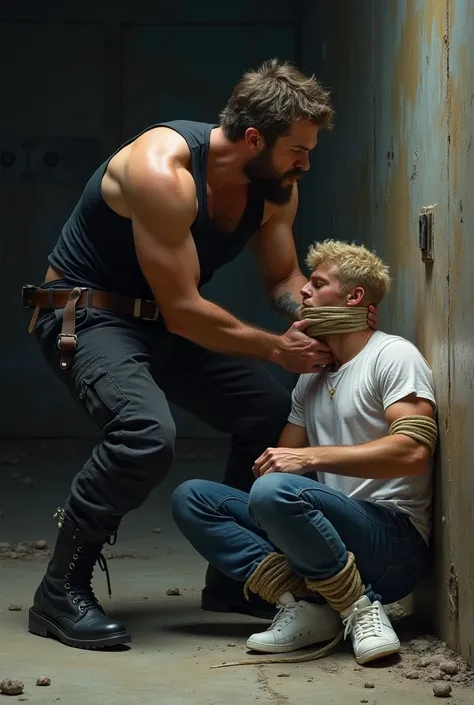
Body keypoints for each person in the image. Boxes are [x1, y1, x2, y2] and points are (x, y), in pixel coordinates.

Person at [23, 59, 378, 650]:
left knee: (269, 415)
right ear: (253, 138)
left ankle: (236, 579)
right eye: (298, 150)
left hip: (163, 319)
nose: (306, 164)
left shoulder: (274, 188)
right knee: (143, 433)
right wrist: (274, 347)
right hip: (87, 314)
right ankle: (60, 590)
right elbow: (187, 309)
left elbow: (284, 277)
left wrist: (330, 322)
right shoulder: (162, 170)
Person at [172, 239, 437, 666]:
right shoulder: (310, 380)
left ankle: (359, 609)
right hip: (330, 538)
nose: (304, 294)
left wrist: (310, 459)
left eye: (316, 284)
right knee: (193, 498)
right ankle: (307, 606)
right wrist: (286, 355)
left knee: (277, 490)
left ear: (354, 297)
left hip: (392, 545)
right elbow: (274, 469)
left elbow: (413, 453)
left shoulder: (392, 355)